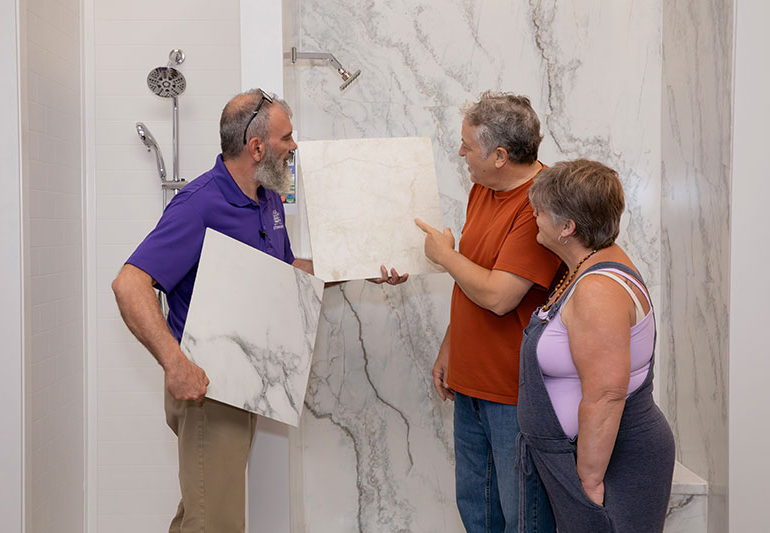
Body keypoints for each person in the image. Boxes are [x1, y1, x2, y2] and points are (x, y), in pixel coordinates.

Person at [111, 88, 407, 533]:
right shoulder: (198, 205)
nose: (294, 147)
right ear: (256, 147)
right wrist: (176, 365)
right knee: (216, 522)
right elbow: (129, 283)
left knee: (204, 511)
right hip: (207, 388)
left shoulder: (266, 197)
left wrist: (361, 265)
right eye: (287, 137)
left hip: (241, 381)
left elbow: (289, 272)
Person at [415, 91, 560, 533]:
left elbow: (500, 295)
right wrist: (451, 345)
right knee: (477, 515)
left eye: (467, 146)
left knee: (522, 520)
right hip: (471, 385)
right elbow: (472, 278)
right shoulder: (483, 187)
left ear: (500, 155)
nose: (460, 153)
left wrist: (443, 255)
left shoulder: (545, 203)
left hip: (514, 395)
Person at [517, 159, 675, 532]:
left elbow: (605, 394)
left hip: (610, 463)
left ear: (567, 227)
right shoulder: (595, 263)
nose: (533, 218)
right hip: (593, 459)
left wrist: (587, 482)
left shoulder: (597, 290)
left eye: (539, 211)